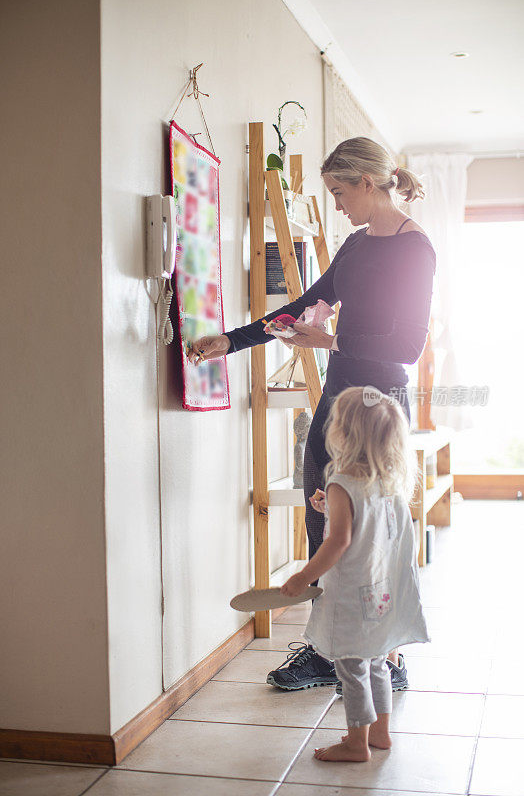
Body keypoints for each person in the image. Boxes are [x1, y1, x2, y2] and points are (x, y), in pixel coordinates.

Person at [187, 136, 436, 693]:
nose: (338, 204)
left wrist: (328, 339)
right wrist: (230, 341)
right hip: (338, 399)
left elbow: (406, 345)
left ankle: (385, 653)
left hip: (378, 410)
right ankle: (329, 648)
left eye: (340, 192)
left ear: (367, 184)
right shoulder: (354, 244)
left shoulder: (414, 249)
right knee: (322, 513)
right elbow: (304, 307)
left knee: (373, 527)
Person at [280, 386, 430, 762]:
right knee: (378, 660)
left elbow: (339, 541)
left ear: (343, 434)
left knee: (350, 667)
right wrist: (326, 503)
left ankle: (355, 742)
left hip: (349, 592)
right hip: (379, 593)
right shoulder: (388, 482)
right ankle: (380, 734)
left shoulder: (341, 482)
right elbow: (368, 525)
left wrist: (304, 576)